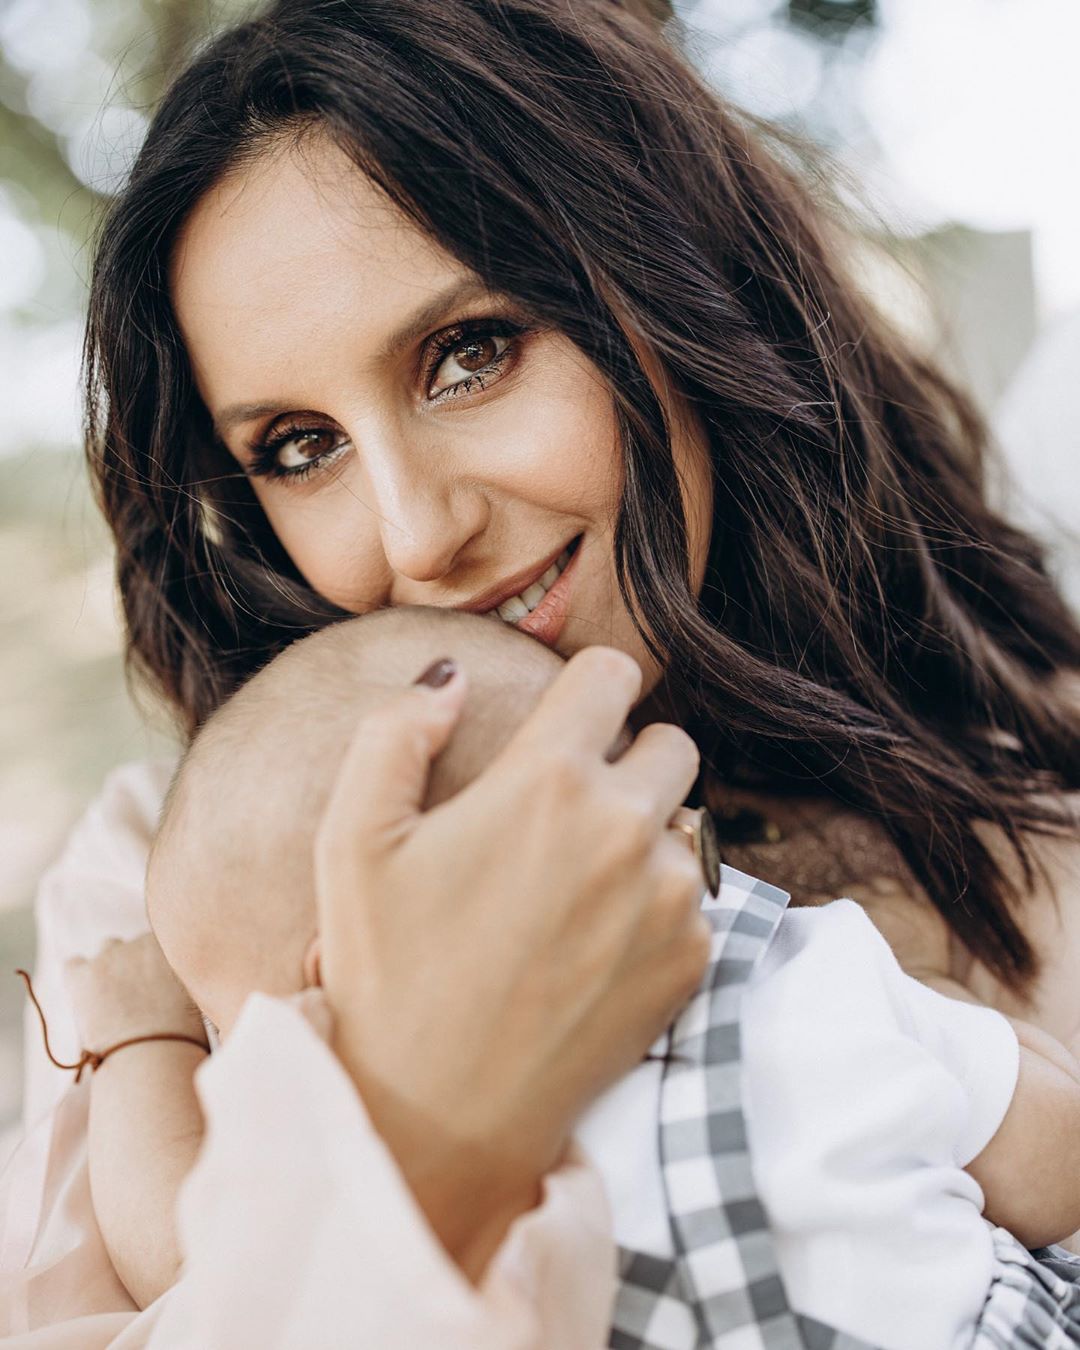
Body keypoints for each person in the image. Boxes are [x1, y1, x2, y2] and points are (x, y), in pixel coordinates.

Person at [10, 0, 1080, 1338]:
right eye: (299, 446)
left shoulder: (1045, 811)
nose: (415, 535)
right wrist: (441, 1128)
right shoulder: (185, 887)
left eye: (468, 355)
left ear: (678, 287)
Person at [61, 604, 1080, 1349]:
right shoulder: (810, 969)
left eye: (228, 1030)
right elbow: (1052, 1161)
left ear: (332, 985)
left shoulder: (342, 1196)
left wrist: (144, 1040)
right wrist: (962, 1028)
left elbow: (184, 1262)